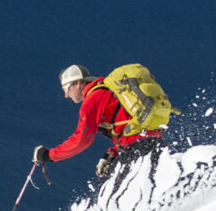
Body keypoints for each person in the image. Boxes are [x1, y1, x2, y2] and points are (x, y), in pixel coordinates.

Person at [36, 63, 175, 178]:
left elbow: (81, 140)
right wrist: (112, 154)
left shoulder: (93, 99)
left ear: (78, 83)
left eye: (66, 88)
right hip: (152, 140)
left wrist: (49, 155)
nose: (66, 95)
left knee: (118, 199)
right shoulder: (107, 91)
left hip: (135, 147)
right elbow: (125, 122)